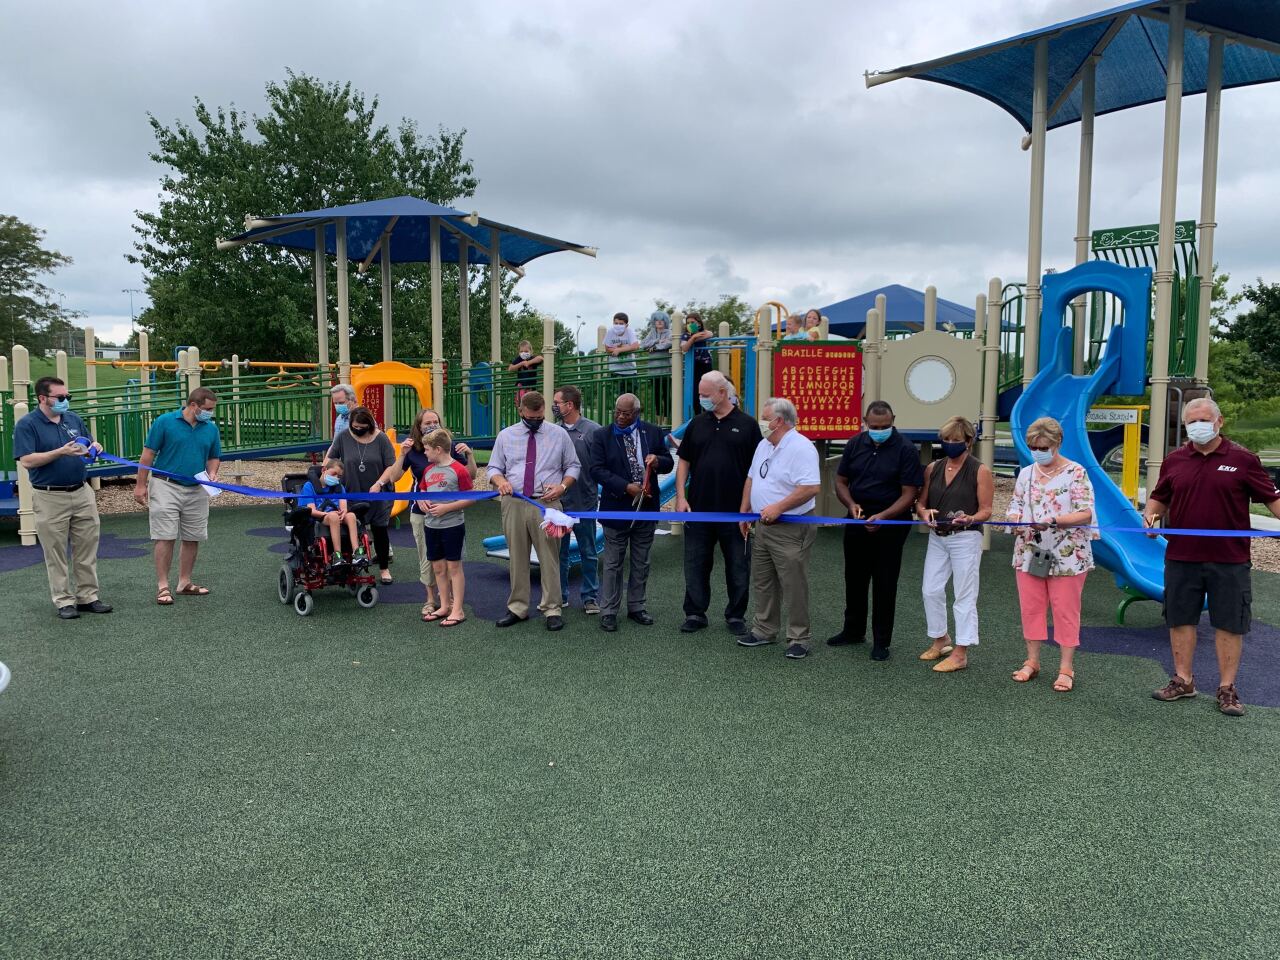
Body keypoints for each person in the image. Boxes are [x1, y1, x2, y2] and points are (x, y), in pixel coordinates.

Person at [1145, 398, 1280, 716]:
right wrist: (1149, 517)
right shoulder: (1175, 460)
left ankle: (1226, 689)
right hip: (1181, 556)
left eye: (1203, 420)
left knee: (1230, 624)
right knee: (1179, 619)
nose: (1197, 427)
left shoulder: (1243, 459)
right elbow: (1159, 498)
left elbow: (1271, 498)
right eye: (1191, 422)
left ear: (1219, 422)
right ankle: (1183, 680)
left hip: (1229, 559)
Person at [1007, 416, 1096, 693]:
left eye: (1043, 446)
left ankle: (1066, 667)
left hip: (1068, 554)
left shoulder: (1076, 472)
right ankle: (1032, 661)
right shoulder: (1026, 473)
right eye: (1034, 446)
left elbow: (1086, 512)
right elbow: (1016, 504)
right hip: (1030, 550)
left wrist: (1055, 521)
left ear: (1057, 444)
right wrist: (1013, 520)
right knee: (1031, 607)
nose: (1038, 450)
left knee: (1065, 609)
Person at [829, 400, 924, 660]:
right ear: (865, 421)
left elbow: (910, 493)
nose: (879, 429)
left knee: (885, 582)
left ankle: (881, 641)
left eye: (885, 426)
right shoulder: (855, 444)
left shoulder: (906, 449)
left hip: (891, 524)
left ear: (893, 420)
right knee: (854, 579)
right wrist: (851, 505)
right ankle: (853, 631)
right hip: (857, 520)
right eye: (874, 426)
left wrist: (883, 516)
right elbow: (840, 481)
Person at [13, 376, 111, 619]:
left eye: (68, 397)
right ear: (43, 398)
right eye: (60, 397)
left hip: (81, 490)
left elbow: (87, 443)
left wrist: (95, 447)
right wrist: (60, 452)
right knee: (55, 550)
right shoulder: (27, 424)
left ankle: (88, 596)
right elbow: (26, 460)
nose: (65, 401)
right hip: (49, 496)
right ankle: (64, 600)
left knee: (87, 545)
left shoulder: (73, 419)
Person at [487, 391, 581, 631]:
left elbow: (573, 466)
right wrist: (500, 481)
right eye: (531, 418)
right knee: (517, 557)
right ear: (521, 411)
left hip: (546, 505)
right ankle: (518, 607)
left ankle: (552, 609)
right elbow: (494, 468)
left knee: (550, 557)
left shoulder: (558, 434)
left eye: (540, 417)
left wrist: (562, 487)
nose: (536, 421)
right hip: (514, 502)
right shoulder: (506, 435)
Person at [675, 371, 760, 636]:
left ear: (722, 393)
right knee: (695, 563)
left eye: (705, 394)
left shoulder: (747, 425)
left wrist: (747, 509)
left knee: (738, 565)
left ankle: (736, 615)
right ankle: (695, 613)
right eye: (700, 394)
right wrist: (680, 496)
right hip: (699, 509)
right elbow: (684, 461)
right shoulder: (697, 423)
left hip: (736, 512)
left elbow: (756, 470)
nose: (702, 399)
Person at [371, 407, 476, 618]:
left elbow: (469, 479)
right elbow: (395, 477)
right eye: (426, 423)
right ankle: (432, 599)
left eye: (434, 421)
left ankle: (452, 602)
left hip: (450, 517)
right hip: (423, 513)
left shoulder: (449, 448)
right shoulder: (416, 452)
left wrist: (469, 455)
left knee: (452, 562)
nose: (431, 425)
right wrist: (402, 455)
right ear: (419, 427)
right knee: (429, 559)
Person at [737, 398, 820, 658]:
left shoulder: (802, 448)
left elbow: (810, 487)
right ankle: (764, 629)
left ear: (780, 421)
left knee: (793, 583)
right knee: (762, 580)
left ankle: (799, 638)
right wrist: (744, 511)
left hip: (790, 526)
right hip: (763, 525)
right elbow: (752, 477)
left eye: (765, 418)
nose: (762, 422)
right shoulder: (764, 444)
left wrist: (779, 507)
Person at [589, 393, 674, 633]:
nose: (620, 417)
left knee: (641, 560)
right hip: (616, 507)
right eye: (617, 411)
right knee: (613, 562)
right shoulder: (602, 435)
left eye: (626, 413)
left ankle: (637, 606)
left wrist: (657, 460)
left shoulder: (653, 432)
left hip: (646, 509)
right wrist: (626, 487)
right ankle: (608, 611)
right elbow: (596, 470)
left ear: (637, 413)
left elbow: (668, 462)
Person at [916, 416, 994, 672]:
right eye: (946, 440)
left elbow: (986, 510)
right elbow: (921, 502)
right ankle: (941, 639)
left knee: (964, 594)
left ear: (969, 442)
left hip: (966, 538)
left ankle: (961, 652)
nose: (950, 444)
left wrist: (970, 518)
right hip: (938, 537)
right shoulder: (933, 468)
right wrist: (924, 513)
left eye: (956, 440)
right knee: (930, 589)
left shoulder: (980, 470)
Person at [134, 387, 222, 606]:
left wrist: (212, 473)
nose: (211, 413)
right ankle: (163, 586)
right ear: (194, 405)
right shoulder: (164, 422)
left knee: (193, 536)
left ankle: (184, 582)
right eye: (208, 409)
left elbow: (214, 457)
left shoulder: (210, 429)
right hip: (165, 485)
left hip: (196, 487)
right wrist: (140, 485)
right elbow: (148, 454)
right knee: (165, 535)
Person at [331, 406, 397, 585]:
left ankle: (384, 568)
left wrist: (379, 483)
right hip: (351, 492)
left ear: (369, 424)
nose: (358, 429)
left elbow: (391, 465)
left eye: (362, 426)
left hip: (378, 494)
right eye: (355, 426)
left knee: (380, 529)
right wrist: (326, 475)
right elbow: (330, 460)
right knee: (351, 527)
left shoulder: (381, 438)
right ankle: (349, 562)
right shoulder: (343, 437)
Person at [417, 428, 476, 628]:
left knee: (453, 567)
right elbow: (422, 490)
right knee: (438, 567)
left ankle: (458, 609)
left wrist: (446, 508)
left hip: (452, 526)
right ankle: (444, 606)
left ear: (438, 449)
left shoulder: (458, 469)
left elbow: (470, 498)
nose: (424, 453)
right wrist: (422, 502)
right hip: (431, 525)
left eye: (427, 449)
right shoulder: (428, 470)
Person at [553, 385, 602, 614]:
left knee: (588, 551)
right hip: (559, 504)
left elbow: (601, 467)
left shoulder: (593, 431)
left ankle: (590, 597)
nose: (555, 406)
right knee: (559, 553)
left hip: (585, 502)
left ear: (569, 405)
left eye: (557, 402)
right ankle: (560, 596)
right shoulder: (553, 432)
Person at [298, 459, 362, 565]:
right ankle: (337, 555)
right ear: (324, 469)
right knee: (333, 516)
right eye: (334, 474)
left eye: (339, 476)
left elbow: (343, 508)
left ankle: (357, 552)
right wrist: (328, 514)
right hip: (320, 517)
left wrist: (344, 512)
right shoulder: (309, 486)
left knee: (351, 515)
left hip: (336, 515)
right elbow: (312, 511)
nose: (336, 478)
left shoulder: (339, 487)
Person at [680, 312, 715, 404]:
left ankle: (709, 411)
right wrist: (692, 338)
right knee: (696, 391)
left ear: (699, 323)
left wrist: (694, 339)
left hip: (706, 364)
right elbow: (684, 348)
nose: (690, 325)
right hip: (693, 365)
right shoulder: (686, 335)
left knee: (708, 388)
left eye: (692, 322)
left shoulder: (703, 332)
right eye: (688, 323)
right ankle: (698, 412)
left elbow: (710, 334)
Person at [602, 311, 640, 380]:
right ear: (613, 323)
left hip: (630, 370)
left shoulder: (630, 331)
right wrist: (627, 348)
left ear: (626, 325)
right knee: (617, 390)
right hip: (615, 370)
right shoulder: (610, 332)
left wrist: (619, 350)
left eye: (621, 324)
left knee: (631, 390)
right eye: (616, 323)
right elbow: (607, 348)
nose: (618, 325)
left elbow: (635, 346)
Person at [327, 384, 356, 456]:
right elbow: (334, 445)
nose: (338, 406)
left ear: (352, 400)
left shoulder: (363, 418)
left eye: (341, 403)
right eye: (335, 403)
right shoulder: (339, 419)